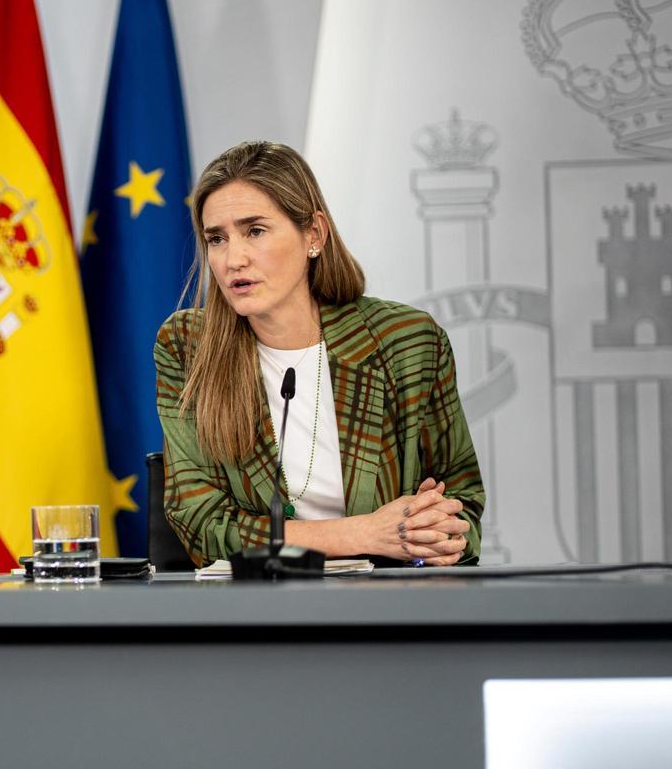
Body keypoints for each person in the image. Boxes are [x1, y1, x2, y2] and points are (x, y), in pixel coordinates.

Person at [155, 142, 483, 567]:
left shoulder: (407, 341)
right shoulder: (187, 347)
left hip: (386, 608)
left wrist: (440, 533)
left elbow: (462, 501)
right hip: (252, 612)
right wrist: (365, 533)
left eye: (255, 231)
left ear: (314, 234)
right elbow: (201, 526)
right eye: (216, 238)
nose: (233, 258)